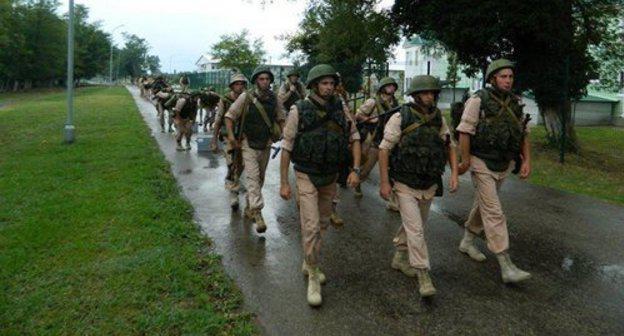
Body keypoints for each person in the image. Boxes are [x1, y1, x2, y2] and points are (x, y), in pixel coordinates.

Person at [279, 64, 361, 307]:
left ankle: (308, 258)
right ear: (314, 85)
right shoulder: (299, 110)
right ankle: (313, 273)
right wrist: (284, 183)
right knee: (312, 225)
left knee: (323, 223)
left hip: (330, 175)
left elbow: (354, 137)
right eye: (324, 83)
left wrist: (356, 170)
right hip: (305, 173)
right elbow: (286, 147)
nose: (329, 87)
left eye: (331, 83)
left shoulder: (341, 108)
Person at [378, 75, 458, 297]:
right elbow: (384, 150)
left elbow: (449, 144)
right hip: (404, 182)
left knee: (416, 224)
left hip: (428, 182)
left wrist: (454, 175)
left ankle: (400, 257)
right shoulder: (399, 117)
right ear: (415, 95)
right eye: (425, 93)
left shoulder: (438, 118)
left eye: (432, 93)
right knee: (416, 228)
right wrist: (385, 182)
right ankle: (423, 274)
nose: (429, 96)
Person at [456, 58, 532, 284]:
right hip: (481, 161)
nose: (508, 81)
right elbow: (465, 132)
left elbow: (524, 133)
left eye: (510, 77)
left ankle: (467, 241)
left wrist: (527, 160)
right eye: (503, 77)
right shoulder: (478, 100)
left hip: (503, 163)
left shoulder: (516, 103)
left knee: (484, 205)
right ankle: (505, 264)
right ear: (492, 79)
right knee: (494, 211)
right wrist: (465, 160)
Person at [225, 66, 285, 233]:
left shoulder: (275, 99)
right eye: (261, 79)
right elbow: (229, 116)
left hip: (265, 144)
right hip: (247, 143)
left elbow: (281, 118)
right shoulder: (246, 97)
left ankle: (249, 207)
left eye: (267, 79)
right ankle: (258, 213)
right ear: (256, 81)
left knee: (260, 179)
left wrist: (284, 134)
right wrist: (231, 137)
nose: (264, 82)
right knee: (252, 177)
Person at [355, 77, 400, 200]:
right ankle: (357, 182)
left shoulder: (395, 104)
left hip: (390, 140)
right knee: (366, 170)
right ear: (382, 88)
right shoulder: (372, 102)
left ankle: (393, 198)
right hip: (375, 140)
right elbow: (358, 115)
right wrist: (370, 120)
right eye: (389, 86)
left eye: (393, 86)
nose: (392, 88)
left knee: (394, 171)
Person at [211, 74, 249, 210]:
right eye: (237, 84)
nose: (240, 86)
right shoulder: (225, 100)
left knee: (242, 164)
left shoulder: (248, 99)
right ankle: (233, 193)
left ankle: (234, 183)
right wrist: (214, 140)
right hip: (228, 137)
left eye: (242, 84)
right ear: (232, 86)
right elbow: (218, 119)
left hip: (244, 137)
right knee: (231, 163)